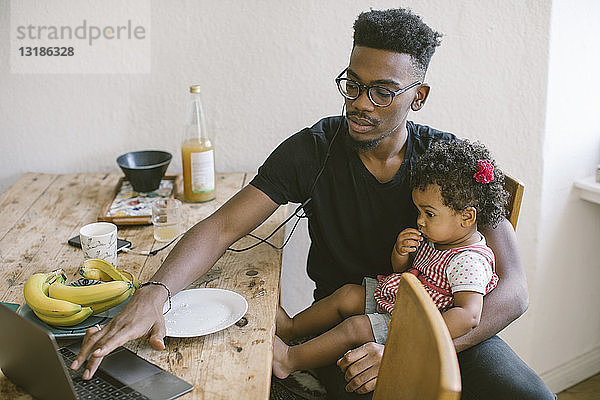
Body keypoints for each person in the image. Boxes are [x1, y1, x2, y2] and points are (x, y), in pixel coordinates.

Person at [71, 8, 556, 400]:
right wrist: (154, 293)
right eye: (353, 84)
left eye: (383, 91)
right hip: (342, 331)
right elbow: (221, 228)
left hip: (448, 322)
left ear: (419, 96)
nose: (361, 102)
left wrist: (411, 348)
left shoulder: (448, 165)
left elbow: (513, 293)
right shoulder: (313, 150)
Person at [272, 139, 506, 379]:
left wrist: (417, 340)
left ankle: (289, 360)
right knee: (347, 295)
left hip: (416, 323)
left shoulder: (469, 262)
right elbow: (403, 271)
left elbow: (469, 315)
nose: (420, 220)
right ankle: (291, 328)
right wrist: (401, 253)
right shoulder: (442, 239)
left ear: (466, 217)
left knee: (355, 328)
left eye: (429, 213)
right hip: (403, 297)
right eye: (419, 211)